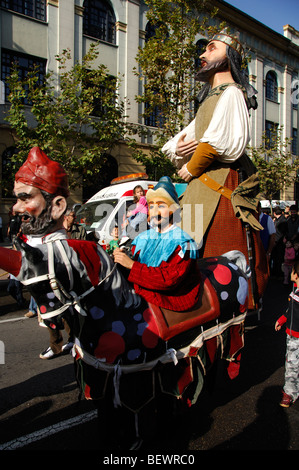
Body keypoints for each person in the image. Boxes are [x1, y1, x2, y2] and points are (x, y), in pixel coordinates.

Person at [162, 28, 268, 311]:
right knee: (192, 255)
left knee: (223, 261)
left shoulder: (233, 93)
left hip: (219, 190)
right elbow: (176, 144)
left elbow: (223, 143)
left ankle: (235, 312)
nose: (203, 54)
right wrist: (182, 152)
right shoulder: (209, 100)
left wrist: (192, 165)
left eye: (211, 48)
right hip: (199, 193)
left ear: (229, 55)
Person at [113, 176, 200, 311]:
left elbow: (169, 280)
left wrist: (132, 265)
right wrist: (122, 258)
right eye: (152, 206)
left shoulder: (183, 243)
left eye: (161, 206)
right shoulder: (143, 238)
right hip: (139, 295)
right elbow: (135, 265)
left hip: (168, 300)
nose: (155, 211)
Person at [275, 260, 299, 407]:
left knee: (293, 364)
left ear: (296, 274)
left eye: (292, 271)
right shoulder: (295, 290)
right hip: (292, 336)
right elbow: (289, 310)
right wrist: (282, 319)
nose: (290, 273)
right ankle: (289, 392)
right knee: (292, 364)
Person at [272, 206, 288, 276]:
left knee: (279, 259)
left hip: (279, 243)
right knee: (276, 259)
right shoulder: (279, 220)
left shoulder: (282, 221)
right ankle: (276, 272)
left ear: (274, 213)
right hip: (278, 242)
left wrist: (275, 241)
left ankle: (278, 274)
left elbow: (280, 233)